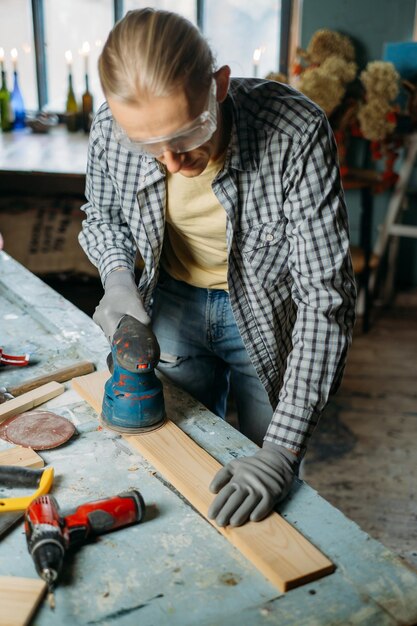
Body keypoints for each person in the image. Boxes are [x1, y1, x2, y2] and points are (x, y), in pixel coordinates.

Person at [79, 8, 356, 528]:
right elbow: (105, 217)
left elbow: (326, 299)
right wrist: (118, 279)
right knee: (174, 462)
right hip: (174, 304)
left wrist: (280, 453)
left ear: (219, 85)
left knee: (267, 491)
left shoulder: (295, 133)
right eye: (148, 146)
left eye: (187, 136)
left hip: (270, 315)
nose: (172, 163)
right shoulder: (109, 128)